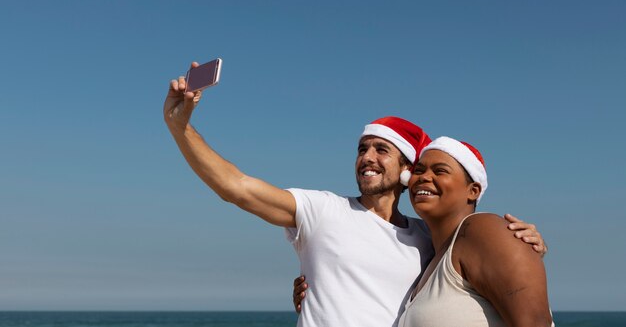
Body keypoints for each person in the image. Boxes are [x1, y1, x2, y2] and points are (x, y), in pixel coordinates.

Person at [163, 63, 546, 327]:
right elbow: (237, 187)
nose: (367, 157)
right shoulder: (324, 210)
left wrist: (526, 243)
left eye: (382, 150)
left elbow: (489, 272)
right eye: (362, 148)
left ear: (405, 170)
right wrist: (180, 128)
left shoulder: (430, 241)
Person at [398, 136, 553, 326]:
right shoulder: (431, 261)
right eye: (419, 170)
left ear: (473, 191)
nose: (424, 177)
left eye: (440, 171)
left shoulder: (482, 229)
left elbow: (536, 322)